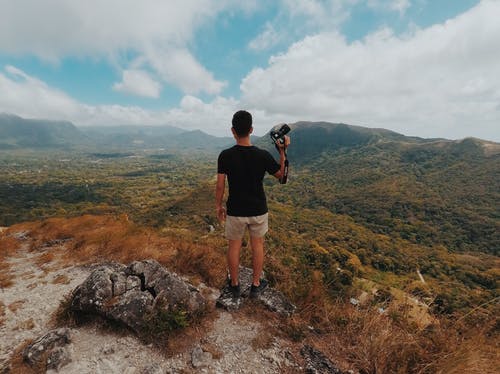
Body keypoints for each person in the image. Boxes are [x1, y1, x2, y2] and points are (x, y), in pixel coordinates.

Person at [215, 110, 290, 300]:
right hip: (258, 210)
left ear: (233, 130)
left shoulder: (225, 155)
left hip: (235, 210)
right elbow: (282, 178)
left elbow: (220, 185)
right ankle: (256, 286)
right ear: (251, 129)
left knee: (234, 247)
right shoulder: (262, 155)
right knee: (258, 246)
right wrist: (282, 152)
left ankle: (234, 285)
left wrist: (218, 206)